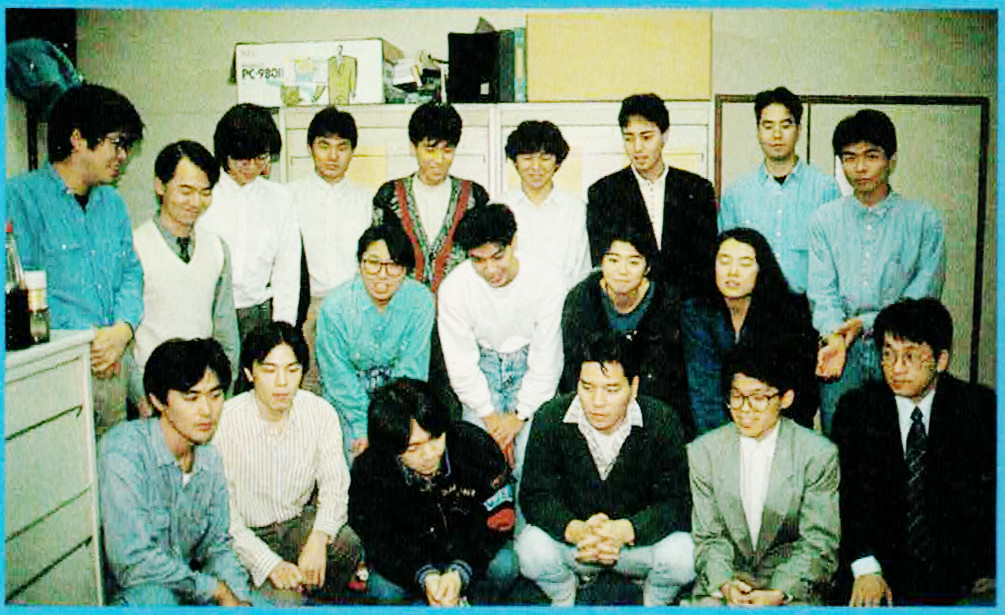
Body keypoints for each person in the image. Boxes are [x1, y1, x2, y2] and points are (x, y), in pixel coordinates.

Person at [831, 298, 994, 606]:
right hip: (879, 567)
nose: (896, 368)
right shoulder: (857, 410)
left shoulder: (978, 409)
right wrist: (866, 567)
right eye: (888, 354)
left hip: (961, 575)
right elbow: (850, 498)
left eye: (910, 356)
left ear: (941, 360)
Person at [516, 331, 694, 606]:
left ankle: (654, 601)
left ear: (634, 387)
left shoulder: (662, 421)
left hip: (635, 546)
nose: (597, 402)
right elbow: (535, 496)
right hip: (578, 546)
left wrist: (625, 530)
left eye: (611, 390)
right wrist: (575, 530)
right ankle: (565, 595)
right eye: (587, 387)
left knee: (684, 556)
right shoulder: (549, 418)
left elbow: (677, 502)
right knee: (530, 549)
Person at [7, 83, 144, 436]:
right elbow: (19, 289)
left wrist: (123, 329)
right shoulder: (20, 198)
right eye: (117, 143)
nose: (123, 156)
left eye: (127, 146)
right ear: (78, 139)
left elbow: (131, 274)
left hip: (112, 366)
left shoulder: (112, 205)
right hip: (56, 369)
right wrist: (90, 338)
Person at [810, 109, 945, 434]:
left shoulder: (924, 220)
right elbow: (822, 292)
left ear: (891, 159)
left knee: (901, 440)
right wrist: (836, 336)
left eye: (871, 156)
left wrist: (864, 323)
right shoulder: (824, 220)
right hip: (842, 350)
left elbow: (922, 297)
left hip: (903, 349)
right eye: (849, 157)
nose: (860, 168)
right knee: (841, 442)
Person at [212, 321, 363, 605]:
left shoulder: (319, 412)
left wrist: (319, 538)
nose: (282, 382)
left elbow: (335, 484)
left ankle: (316, 596)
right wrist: (270, 564)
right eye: (269, 370)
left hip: (294, 525)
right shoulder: (225, 422)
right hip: (244, 537)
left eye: (292, 370)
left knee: (347, 544)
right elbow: (224, 518)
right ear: (250, 373)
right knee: (285, 602)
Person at [98, 338, 252, 606]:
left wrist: (240, 598)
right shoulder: (124, 451)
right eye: (191, 398)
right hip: (138, 593)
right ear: (158, 401)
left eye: (215, 395)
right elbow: (133, 562)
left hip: (187, 586)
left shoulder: (209, 459)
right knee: (158, 598)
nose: (207, 411)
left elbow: (217, 547)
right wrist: (214, 589)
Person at [688, 345, 840, 606]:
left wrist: (778, 592)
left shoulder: (817, 454)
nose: (745, 409)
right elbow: (709, 538)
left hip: (792, 587)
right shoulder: (704, 452)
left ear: (786, 398)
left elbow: (818, 542)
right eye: (737, 396)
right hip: (727, 583)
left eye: (758, 398)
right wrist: (725, 584)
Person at [348, 378, 519, 605]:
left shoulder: (475, 445)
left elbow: (498, 520)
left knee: (505, 565)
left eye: (435, 439)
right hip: (411, 561)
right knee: (383, 590)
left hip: (466, 552)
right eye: (413, 448)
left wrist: (460, 571)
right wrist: (424, 574)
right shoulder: (369, 470)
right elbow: (378, 540)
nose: (429, 455)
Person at [437, 204, 564, 480]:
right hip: (481, 372)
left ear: (513, 242)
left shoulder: (547, 281)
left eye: (498, 256)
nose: (490, 269)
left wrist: (518, 418)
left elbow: (547, 361)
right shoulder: (454, 289)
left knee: (531, 462)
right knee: (479, 462)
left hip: (530, 370)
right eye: (478, 260)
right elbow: (461, 366)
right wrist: (492, 421)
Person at [130, 140, 239, 417]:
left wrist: (222, 396)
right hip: (154, 395)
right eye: (186, 191)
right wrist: (143, 399)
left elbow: (226, 331)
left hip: (204, 394)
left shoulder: (217, 248)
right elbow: (125, 340)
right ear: (160, 185)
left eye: (205, 192)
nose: (195, 202)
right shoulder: (134, 247)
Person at [315, 224, 435, 461]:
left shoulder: (421, 301)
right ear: (360, 264)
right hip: (347, 398)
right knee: (355, 457)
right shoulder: (335, 307)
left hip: (401, 396)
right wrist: (363, 425)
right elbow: (337, 376)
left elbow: (413, 368)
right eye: (373, 263)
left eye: (394, 265)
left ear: (406, 269)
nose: (382, 274)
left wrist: (389, 421)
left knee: (409, 453)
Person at [682, 228, 819, 436]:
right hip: (718, 431)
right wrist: (725, 444)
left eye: (745, 264)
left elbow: (798, 395)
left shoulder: (790, 312)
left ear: (761, 269)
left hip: (777, 428)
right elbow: (703, 391)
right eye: (724, 261)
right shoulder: (697, 312)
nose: (733, 272)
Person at [560, 226, 690, 436]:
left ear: (647, 267)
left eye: (634, 262)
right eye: (613, 260)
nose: (622, 271)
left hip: (652, 411)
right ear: (601, 262)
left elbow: (669, 378)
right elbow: (573, 373)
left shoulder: (668, 302)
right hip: (596, 406)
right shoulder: (581, 300)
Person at [587, 92, 717, 299]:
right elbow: (601, 261)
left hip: (687, 306)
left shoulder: (697, 189)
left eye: (646, 137)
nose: (637, 147)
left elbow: (706, 259)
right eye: (629, 138)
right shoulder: (604, 192)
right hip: (631, 305)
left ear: (665, 135)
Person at [718, 87, 840, 295]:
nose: (777, 135)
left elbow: (835, 259)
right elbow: (725, 258)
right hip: (753, 305)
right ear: (758, 131)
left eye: (785, 125)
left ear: (798, 130)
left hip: (807, 306)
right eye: (768, 126)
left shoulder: (825, 190)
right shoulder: (736, 194)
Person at [197, 103, 301, 340]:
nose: (252, 168)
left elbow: (287, 272)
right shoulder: (203, 195)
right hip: (209, 311)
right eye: (243, 160)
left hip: (259, 314)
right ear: (225, 153)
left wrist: (283, 330)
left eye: (261, 158)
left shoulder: (281, 199)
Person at [289, 107, 372, 393]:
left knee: (352, 386)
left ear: (352, 151)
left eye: (342, 147)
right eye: (324, 146)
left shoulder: (367, 199)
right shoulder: (290, 196)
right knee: (306, 388)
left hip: (354, 307)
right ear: (310, 148)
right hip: (307, 308)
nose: (333, 156)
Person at [372, 101, 489, 293]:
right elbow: (377, 257)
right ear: (413, 148)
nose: (439, 159)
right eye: (430, 149)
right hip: (402, 304)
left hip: (460, 303)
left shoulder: (474, 197)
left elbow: (484, 258)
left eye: (447, 150)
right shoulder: (388, 197)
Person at [497, 120, 591, 290]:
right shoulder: (499, 208)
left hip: (565, 303)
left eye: (545, 158)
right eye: (527, 158)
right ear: (515, 161)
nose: (536, 167)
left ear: (557, 162)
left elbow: (583, 273)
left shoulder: (576, 210)